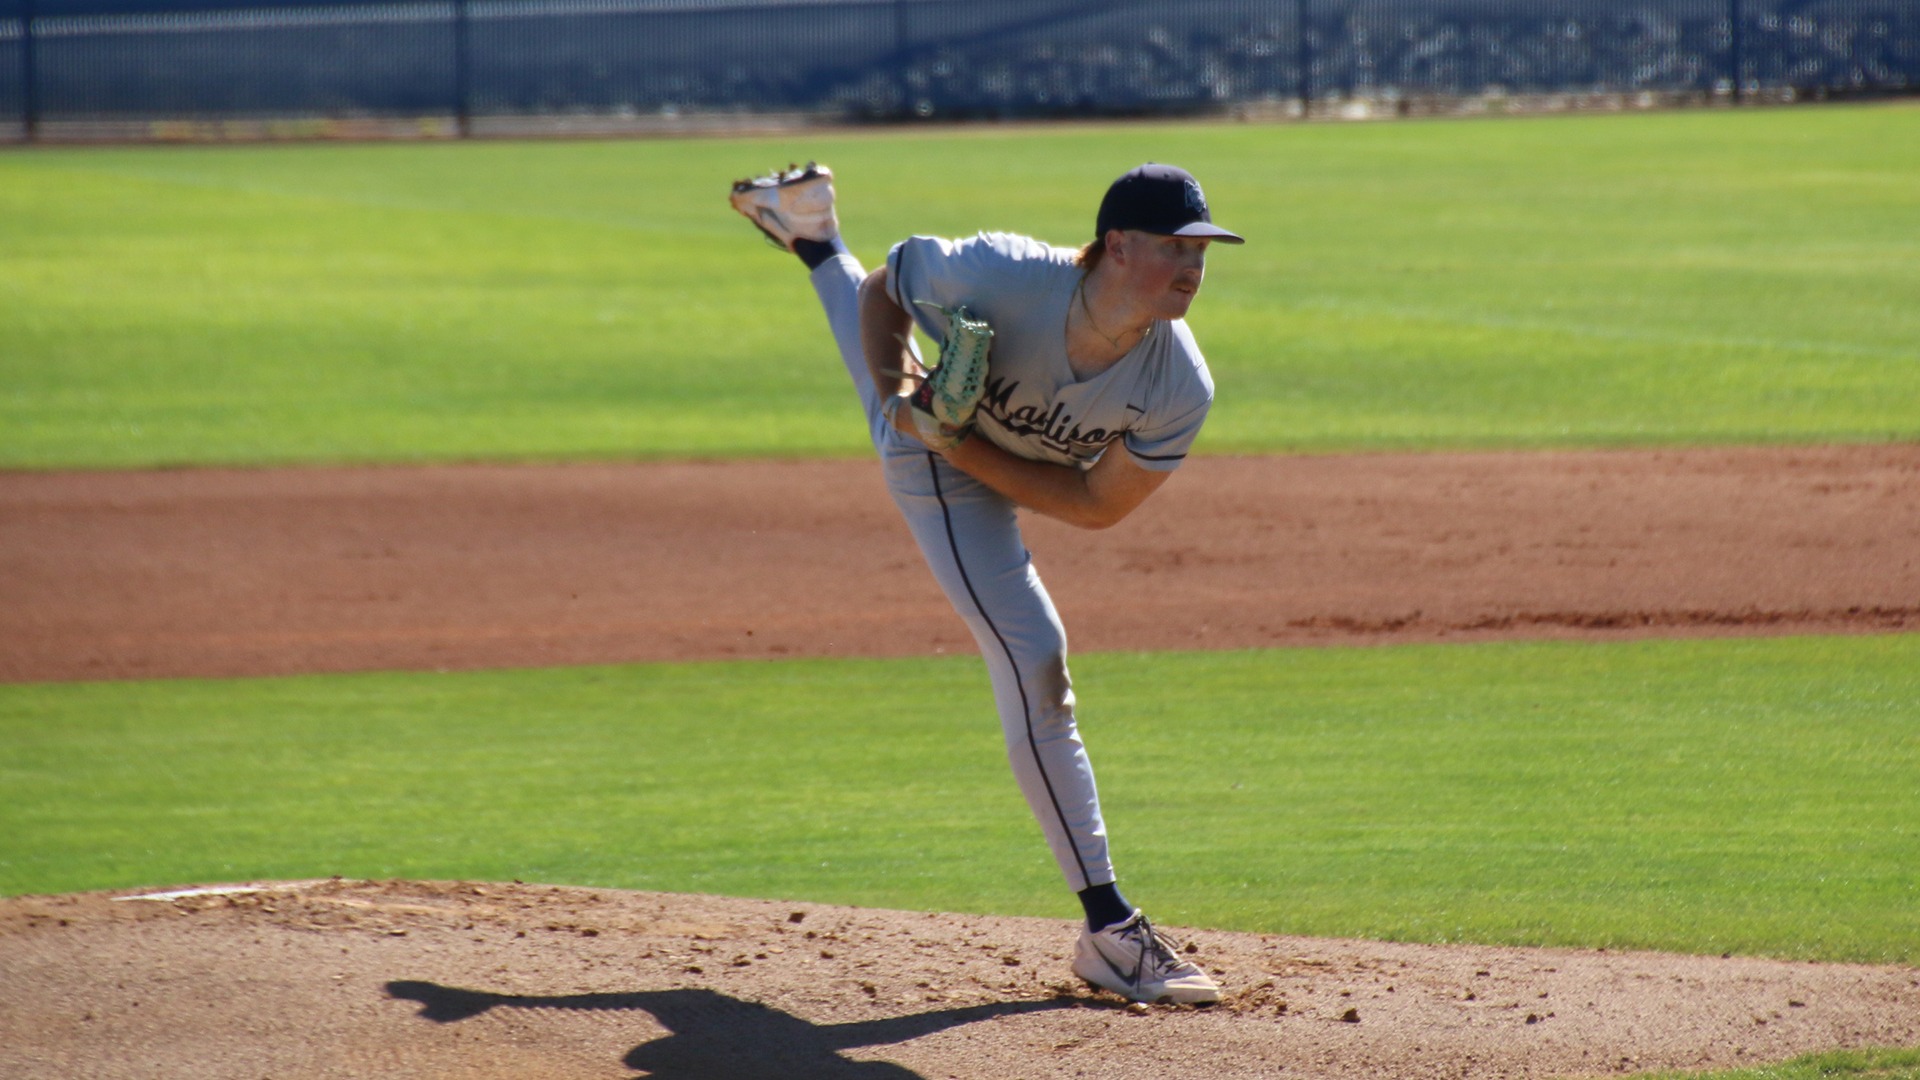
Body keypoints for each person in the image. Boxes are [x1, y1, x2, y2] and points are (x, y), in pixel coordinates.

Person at [728, 160, 1241, 1005]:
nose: (1194, 265)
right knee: (1035, 654)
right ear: (1116, 247)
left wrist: (956, 436)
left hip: (963, 449)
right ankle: (1109, 931)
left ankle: (814, 237)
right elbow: (889, 290)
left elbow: (1093, 504)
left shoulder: (1179, 383)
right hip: (935, 469)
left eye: (1204, 250)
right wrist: (905, 400)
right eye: (1174, 246)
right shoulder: (1008, 273)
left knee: (892, 400)